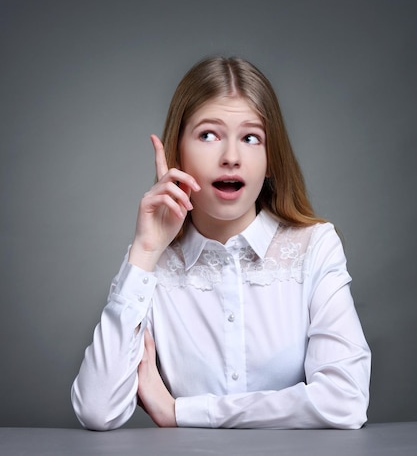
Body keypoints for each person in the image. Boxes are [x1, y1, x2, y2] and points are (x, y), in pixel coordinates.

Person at [71, 56, 371, 431]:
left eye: (250, 138)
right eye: (208, 135)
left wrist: (180, 412)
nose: (231, 157)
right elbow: (98, 410)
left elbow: (346, 401)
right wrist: (146, 252)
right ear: (177, 151)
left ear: (270, 159)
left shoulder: (315, 247)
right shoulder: (152, 266)